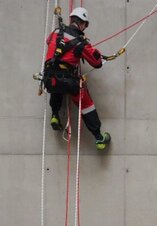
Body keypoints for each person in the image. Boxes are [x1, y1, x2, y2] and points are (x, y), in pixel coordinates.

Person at [43, 7, 111, 150]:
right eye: (85, 25)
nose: (85, 28)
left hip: (49, 78)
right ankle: (99, 137)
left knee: (56, 85)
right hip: (68, 81)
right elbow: (97, 62)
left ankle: (55, 114)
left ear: (71, 20)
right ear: (82, 23)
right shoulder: (80, 43)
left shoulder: (56, 32)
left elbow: (48, 41)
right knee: (86, 104)